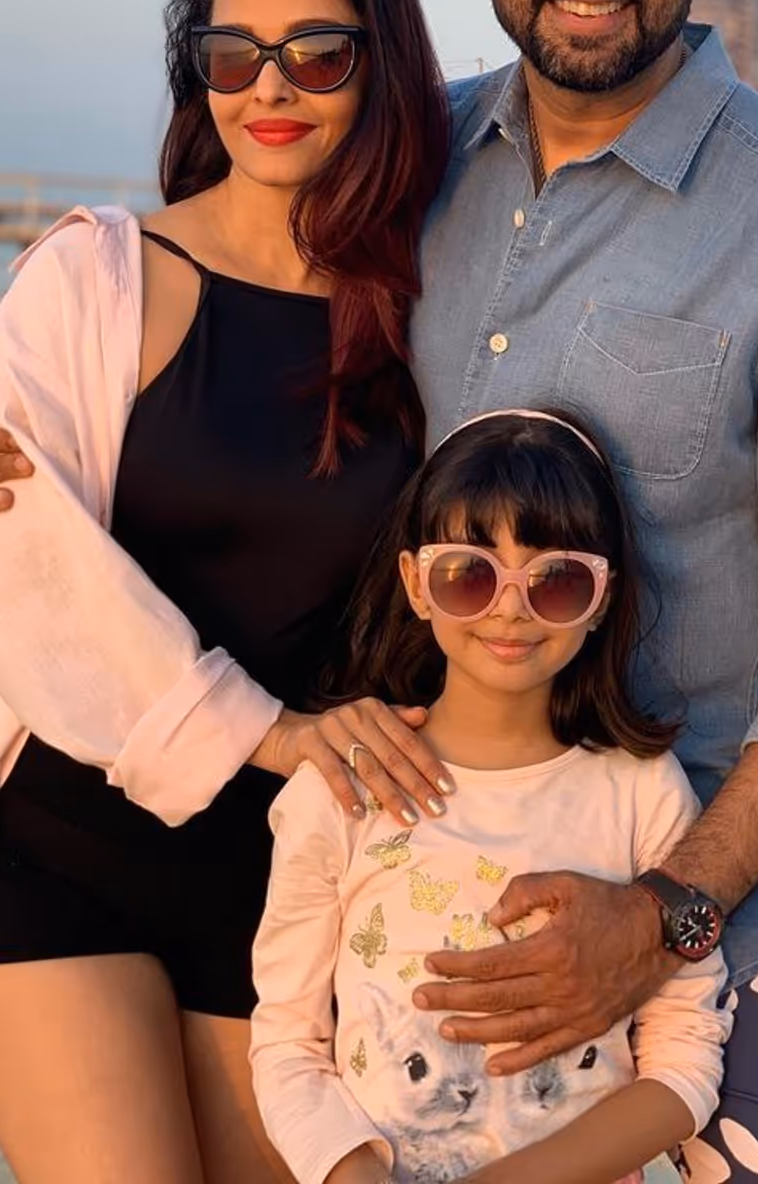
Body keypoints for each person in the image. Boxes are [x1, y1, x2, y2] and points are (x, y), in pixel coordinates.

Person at [0, 0, 758, 1178]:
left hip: (707, 876)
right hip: (399, 856)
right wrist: (16, 427)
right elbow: (220, 316)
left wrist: (665, 906)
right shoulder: (412, 167)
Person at [0, 0, 458, 1184]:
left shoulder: (426, 318)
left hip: (286, 887)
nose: (270, 87)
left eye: (318, 53)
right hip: (57, 853)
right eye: (231, 54)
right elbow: (26, 573)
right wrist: (273, 731)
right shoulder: (95, 279)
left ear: (381, 70)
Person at [250, 409, 729, 1184]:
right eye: (469, 574)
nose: (510, 608)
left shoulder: (643, 790)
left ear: (601, 598)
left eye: (556, 580)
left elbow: (686, 1056)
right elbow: (288, 1044)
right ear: (417, 583)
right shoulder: (339, 790)